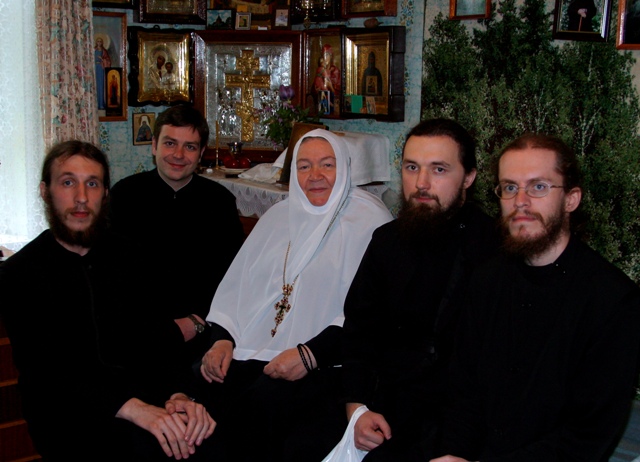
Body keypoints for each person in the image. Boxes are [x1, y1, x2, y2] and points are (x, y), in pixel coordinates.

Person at [0, 140, 216, 461]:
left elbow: (157, 341)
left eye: (92, 184)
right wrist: (136, 410)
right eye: (68, 182)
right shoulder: (20, 273)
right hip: (68, 416)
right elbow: (50, 372)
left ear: (105, 194)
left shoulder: (130, 255)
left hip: (143, 402)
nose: (81, 198)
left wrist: (180, 395)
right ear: (45, 192)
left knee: (207, 438)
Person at [432, 133, 640, 462]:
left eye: (538, 187)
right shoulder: (486, 280)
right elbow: (463, 393)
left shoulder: (612, 300)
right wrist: (453, 453)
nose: (521, 202)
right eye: (510, 187)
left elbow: (587, 435)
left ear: (571, 199)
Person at [198, 129, 393, 461]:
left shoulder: (370, 221)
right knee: (201, 395)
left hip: (327, 359)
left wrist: (308, 354)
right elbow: (239, 286)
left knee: (260, 407)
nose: (314, 176)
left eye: (326, 165)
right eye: (303, 167)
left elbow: (369, 311)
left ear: (345, 168)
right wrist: (222, 338)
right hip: (255, 348)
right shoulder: (277, 215)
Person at [340, 118, 500, 461]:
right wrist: (356, 408)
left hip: (457, 418)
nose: (422, 183)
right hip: (383, 405)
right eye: (412, 167)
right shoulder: (386, 242)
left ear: (469, 177)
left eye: (439, 169)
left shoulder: (494, 250)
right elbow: (357, 332)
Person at [109, 105, 244, 364]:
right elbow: (112, 276)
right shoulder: (124, 196)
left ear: (201, 153)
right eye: (170, 143)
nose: (178, 155)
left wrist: (198, 322)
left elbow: (233, 279)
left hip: (201, 332)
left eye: (190, 147)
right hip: (137, 332)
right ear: (154, 146)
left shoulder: (220, 202)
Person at [94, 36, 111, 110]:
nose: (99, 43)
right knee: (94, 85)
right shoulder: (93, 50)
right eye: (98, 41)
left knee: (100, 86)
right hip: (94, 68)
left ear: (102, 43)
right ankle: (94, 104)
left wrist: (102, 59)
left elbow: (108, 61)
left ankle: (101, 104)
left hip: (100, 68)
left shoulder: (104, 51)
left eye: (100, 41)